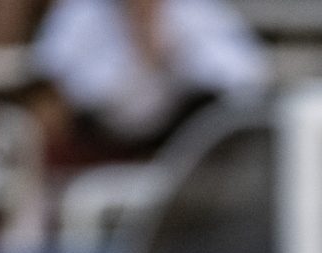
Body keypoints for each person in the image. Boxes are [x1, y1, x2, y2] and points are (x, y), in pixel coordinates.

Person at [31, 0, 267, 159]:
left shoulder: (195, 10)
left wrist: (169, 52)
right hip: (97, 144)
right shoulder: (82, 12)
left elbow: (248, 77)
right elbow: (50, 79)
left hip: (180, 146)